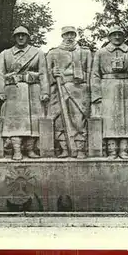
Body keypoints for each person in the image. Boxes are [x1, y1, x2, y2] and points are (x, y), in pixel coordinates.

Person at [0, 26, 49, 160]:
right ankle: (16, 150)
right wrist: (0, 91)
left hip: (33, 90)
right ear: (14, 37)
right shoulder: (5, 54)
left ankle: (30, 149)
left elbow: (43, 73)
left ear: (28, 37)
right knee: (14, 122)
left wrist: (45, 91)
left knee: (33, 121)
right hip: (13, 91)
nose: (20, 38)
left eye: (23, 35)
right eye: (18, 35)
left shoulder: (38, 53)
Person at [90, 25, 128, 159]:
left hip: (126, 86)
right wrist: (96, 94)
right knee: (109, 120)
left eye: (120, 34)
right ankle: (111, 151)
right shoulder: (101, 53)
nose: (117, 37)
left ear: (124, 36)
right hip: (107, 87)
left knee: (126, 120)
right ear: (109, 37)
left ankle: (124, 150)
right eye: (114, 34)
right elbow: (95, 74)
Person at [46, 26, 92, 158]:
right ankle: (64, 148)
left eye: (72, 34)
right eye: (67, 34)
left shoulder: (85, 52)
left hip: (79, 89)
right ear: (62, 36)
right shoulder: (53, 53)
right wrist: (53, 74)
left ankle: (80, 149)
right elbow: (45, 73)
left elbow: (90, 72)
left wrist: (88, 89)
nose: (70, 37)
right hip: (60, 88)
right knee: (60, 119)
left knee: (78, 120)